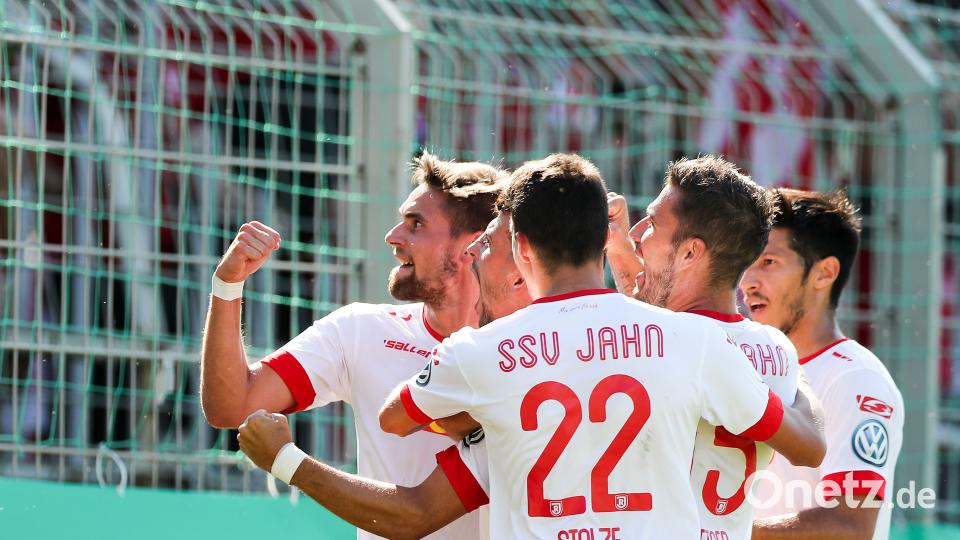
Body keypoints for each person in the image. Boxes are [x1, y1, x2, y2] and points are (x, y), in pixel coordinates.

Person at [378, 154, 824, 538]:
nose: (635, 234)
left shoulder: (504, 351)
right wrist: (800, 382)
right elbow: (810, 445)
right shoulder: (754, 348)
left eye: (652, 225)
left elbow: (400, 438)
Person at [200, 152, 505, 540]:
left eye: (416, 224)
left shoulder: (523, 350)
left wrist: (287, 460)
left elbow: (414, 514)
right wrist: (227, 285)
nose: (393, 237)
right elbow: (231, 406)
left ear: (472, 246)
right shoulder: (361, 330)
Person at [602, 156, 816, 540]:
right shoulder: (776, 347)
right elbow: (653, 315)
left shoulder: (668, 343)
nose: (634, 232)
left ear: (690, 254)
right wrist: (619, 254)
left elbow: (649, 329)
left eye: (651, 223)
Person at [743, 189, 904, 540]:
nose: (748, 282)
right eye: (748, 262)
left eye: (768, 262)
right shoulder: (748, 362)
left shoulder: (856, 379)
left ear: (824, 273)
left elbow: (850, 527)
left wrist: (721, 531)